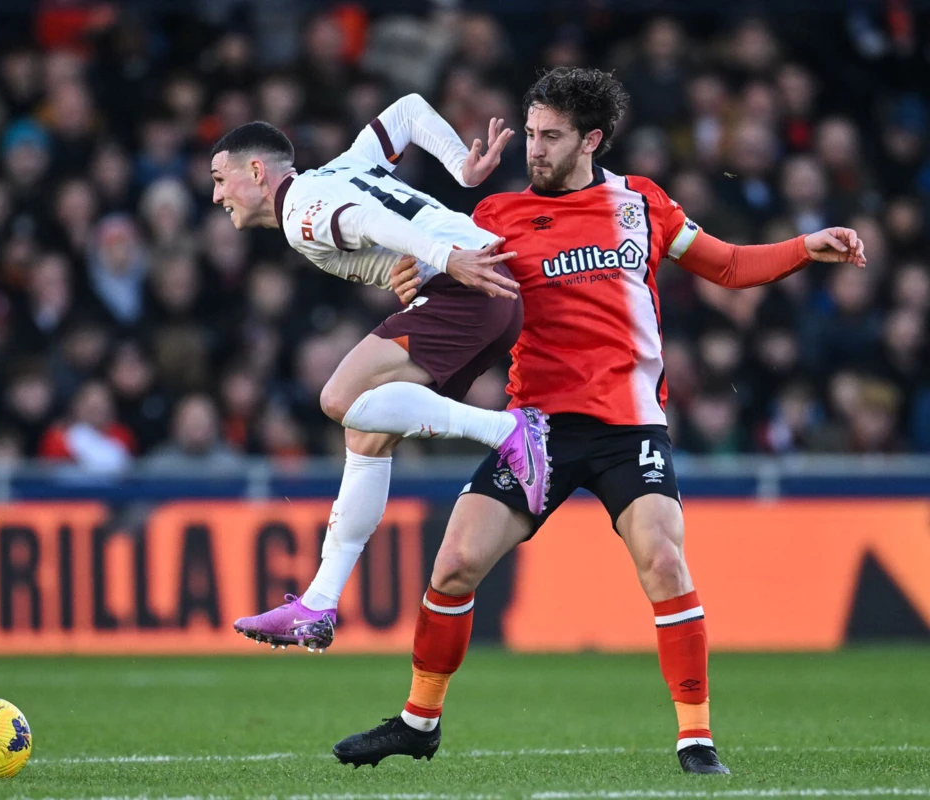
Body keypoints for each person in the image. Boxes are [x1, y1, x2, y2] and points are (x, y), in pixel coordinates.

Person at [332, 67, 866, 775]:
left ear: (593, 138)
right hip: (534, 431)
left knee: (664, 561)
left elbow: (729, 267)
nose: (535, 149)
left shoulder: (640, 203)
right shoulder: (492, 217)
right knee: (455, 566)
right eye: (529, 134)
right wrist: (413, 274)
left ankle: (696, 739)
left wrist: (805, 247)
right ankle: (418, 721)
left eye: (550, 137)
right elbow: (434, 279)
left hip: (629, 427)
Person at [209, 95, 551, 651]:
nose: (217, 194)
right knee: (366, 435)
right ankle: (318, 603)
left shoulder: (300, 212)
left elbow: (371, 219)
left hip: (465, 280)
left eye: (221, 179)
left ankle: (509, 432)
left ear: (256, 171)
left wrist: (443, 259)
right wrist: (460, 165)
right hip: (489, 284)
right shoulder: (342, 168)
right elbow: (410, 111)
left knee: (339, 397)